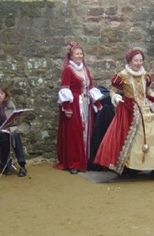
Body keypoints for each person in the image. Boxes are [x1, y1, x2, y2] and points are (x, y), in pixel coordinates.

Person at [94, 47, 154, 183]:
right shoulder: (122, 75)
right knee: (134, 137)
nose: (138, 63)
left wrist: (152, 93)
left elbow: (147, 90)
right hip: (131, 108)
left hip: (147, 107)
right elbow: (112, 91)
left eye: (140, 60)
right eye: (136, 60)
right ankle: (132, 168)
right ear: (130, 61)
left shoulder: (145, 75)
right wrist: (116, 98)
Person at [55, 41, 102, 174]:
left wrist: (97, 103)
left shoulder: (85, 69)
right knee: (74, 134)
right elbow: (64, 88)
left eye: (81, 53)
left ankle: (84, 160)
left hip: (86, 105)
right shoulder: (68, 70)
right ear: (71, 55)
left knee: (86, 133)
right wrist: (67, 107)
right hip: (74, 105)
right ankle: (73, 163)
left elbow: (91, 87)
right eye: (77, 54)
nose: (79, 56)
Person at [0, 84, 28, 177]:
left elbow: (16, 124)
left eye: (2, 93)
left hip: (7, 133)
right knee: (6, 136)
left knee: (14, 135)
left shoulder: (11, 107)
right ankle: (5, 164)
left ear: (6, 95)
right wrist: (0, 129)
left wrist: (9, 129)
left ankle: (22, 165)